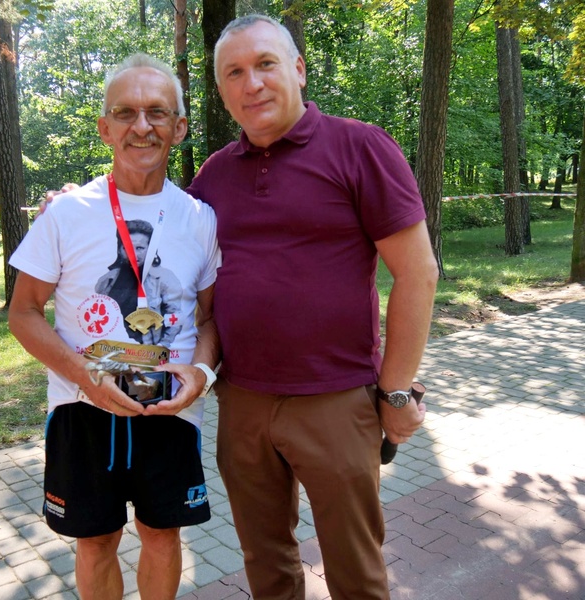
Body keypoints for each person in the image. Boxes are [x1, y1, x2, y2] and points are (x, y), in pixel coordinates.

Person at [184, 14, 439, 600]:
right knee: (265, 563)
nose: (252, 83)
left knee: (355, 571)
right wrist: (79, 206)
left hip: (336, 401)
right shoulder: (214, 175)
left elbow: (418, 274)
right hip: (242, 402)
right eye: (234, 73)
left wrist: (396, 392)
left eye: (265, 64)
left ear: (298, 69)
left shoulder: (360, 147)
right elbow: (155, 234)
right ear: (221, 90)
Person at [7, 53, 221, 600]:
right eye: (125, 113)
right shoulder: (66, 213)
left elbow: (209, 317)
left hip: (171, 408)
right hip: (82, 407)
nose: (141, 126)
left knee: (162, 535)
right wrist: (85, 377)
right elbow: (24, 312)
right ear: (105, 128)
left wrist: (201, 375)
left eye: (157, 112)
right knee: (96, 540)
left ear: (179, 127)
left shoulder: (200, 219)